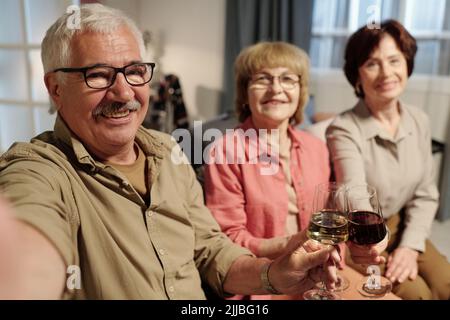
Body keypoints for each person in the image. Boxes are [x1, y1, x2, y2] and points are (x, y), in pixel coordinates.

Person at [0, 4, 342, 300]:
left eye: (135, 72)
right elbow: (27, 241)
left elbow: (212, 252)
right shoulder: (38, 170)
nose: (123, 93)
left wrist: (274, 274)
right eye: (98, 75)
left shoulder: (168, 151)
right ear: (55, 88)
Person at [203, 42, 385, 300]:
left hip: (321, 274)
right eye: (262, 79)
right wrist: (289, 244)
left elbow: (332, 214)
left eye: (287, 79)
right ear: (245, 92)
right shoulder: (224, 151)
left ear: (301, 92)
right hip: (263, 282)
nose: (276, 88)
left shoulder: (316, 147)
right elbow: (228, 240)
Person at [326, 19, 450, 300]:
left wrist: (410, 246)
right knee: (416, 293)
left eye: (394, 60)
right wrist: (373, 238)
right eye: (372, 64)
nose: (386, 72)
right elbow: (352, 189)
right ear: (357, 76)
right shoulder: (344, 127)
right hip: (361, 233)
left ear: (407, 64)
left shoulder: (419, 120)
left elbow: (426, 194)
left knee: (446, 285)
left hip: (401, 224)